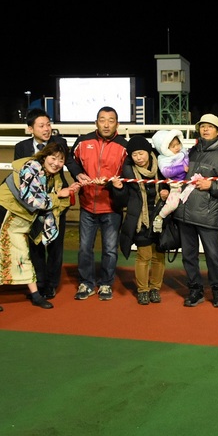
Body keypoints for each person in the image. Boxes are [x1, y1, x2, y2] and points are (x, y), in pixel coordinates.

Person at [0, 143, 80, 312]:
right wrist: (59, 195)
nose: (56, 163)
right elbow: (34, 200)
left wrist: (69, 192)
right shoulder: (31, 167)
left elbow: (58, 203)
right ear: (44, 156)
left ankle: (36, 296)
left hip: (18, 219)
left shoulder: (55, 178)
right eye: (53, 158)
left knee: (23, 253)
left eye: (61, 160)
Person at [174, 114, 218, 308]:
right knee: (188, 256)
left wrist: (212, 186)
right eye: (202, 126)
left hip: (208, 216)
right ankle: (195, 290)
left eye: (210, 126)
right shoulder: (191, 152)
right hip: (185, 214)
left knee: (213, 256)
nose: (205, 129)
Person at [14, 108, 78, 299]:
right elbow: (19, 176)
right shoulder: (21, 147)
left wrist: (80, 176)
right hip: (34, 204)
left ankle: (51, 284)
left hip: (58, 200)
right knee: (35, 244)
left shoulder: (60, 143)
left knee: (55, 245)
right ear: (30, 129)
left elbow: (70, 162)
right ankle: (39, 282)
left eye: (48, 125)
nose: (46, 129)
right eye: (41, 126)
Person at [69, 106, 128, 301]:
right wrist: (78, 173)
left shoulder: (124, 146)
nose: (106, 124)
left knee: (110, 250)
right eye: (102, 120)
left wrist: (114, 184)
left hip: (111, 207)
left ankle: (105, 283)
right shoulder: (82, 142)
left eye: (111, 120)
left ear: (117, 124)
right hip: (87, 205)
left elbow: (128, 174)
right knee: (85, 248)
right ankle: (86, 283)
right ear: (96, 123)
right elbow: (70, 160)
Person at [111, 135, 170, 305]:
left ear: (148, 152)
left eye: (141, 153)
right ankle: (143, 290)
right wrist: (119, 189)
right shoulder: (128, 172)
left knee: (159, 256)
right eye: (134, 155)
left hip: (160, 217)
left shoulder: (162, 167)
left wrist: (167, 191)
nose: (138, 158)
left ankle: (155, 288)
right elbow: (122, 201)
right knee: (144, 256)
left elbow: (173, 184)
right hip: (140, 220)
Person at [150, 129, 191, 233]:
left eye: (178, 144)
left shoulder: (183, 151)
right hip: (176, 186)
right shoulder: (164, 159)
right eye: (173, 146)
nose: (177, 147)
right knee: (173, 204)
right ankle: (160, 216)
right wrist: (182, 168)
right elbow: (166, 172)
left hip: (188, 183)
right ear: (165, 148)